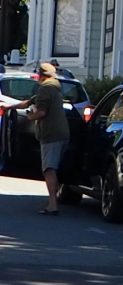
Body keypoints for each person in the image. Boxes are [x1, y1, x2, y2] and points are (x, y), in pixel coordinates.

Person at [28, 60, 68, 216]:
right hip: (62, 133)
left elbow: (41, 112)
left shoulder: (45, 88)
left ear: (41, 75)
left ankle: (52, 204)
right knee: (54, 168)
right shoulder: (55, 88)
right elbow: (30, 102)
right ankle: (54, 201)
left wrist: (31, 117)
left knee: (49, 169)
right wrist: (10, 107)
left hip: (51, 134)